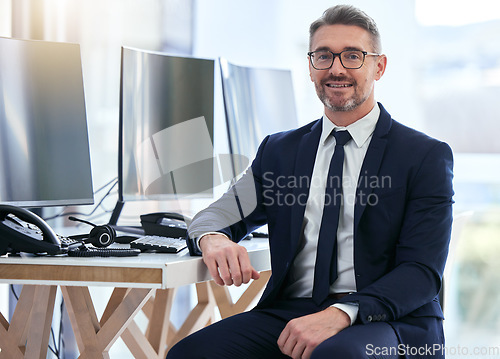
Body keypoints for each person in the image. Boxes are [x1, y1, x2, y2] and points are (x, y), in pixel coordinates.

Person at [167, 4, 454, 359]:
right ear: (310, 65)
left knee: (337, 356)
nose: (336, 69)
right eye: (323, 56)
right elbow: (216, 215)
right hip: (290, 311)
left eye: (352, 56)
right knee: (190, 354)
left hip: (389, 320)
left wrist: (341, 314)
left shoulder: (424, 156)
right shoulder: (280, 150)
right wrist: (211, 239)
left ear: (378, 66)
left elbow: (421, 272)